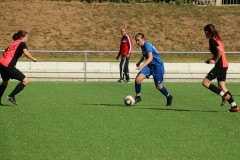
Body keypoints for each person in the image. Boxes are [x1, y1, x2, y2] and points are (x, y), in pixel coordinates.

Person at [202, 24, 239, 112]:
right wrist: (212, 59)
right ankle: (234, 106)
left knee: (205, 82)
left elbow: (219, 50)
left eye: (204, 32)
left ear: (206, 32)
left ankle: (223, 95)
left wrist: (215, 61)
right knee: (222, 86)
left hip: (220, 66)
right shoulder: (217, 39)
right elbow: (219, 53)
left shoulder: (212, 40)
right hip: (224, 65)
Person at [134, 33, 173, 106]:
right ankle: (138, 96)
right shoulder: (143, 46)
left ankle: (168, 96)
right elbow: (144, 55)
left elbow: (150, 58)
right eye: (136, 40)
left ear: (143, 39)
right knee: (137, 80)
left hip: (157, 66)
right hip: (149, 66)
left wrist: (142, 66)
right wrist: (139, 62)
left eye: (138, 40)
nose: (137, 42)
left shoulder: (147, 45)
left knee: (158, 86)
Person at [0, 30, 37, 105]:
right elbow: (26, 53)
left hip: (1, 64)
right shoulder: (22, 43)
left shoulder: (13, 43)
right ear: (21, 37)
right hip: (8, 66)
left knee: (5, 82)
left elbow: (8, 52)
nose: (27, 39)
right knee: (25, 81)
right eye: (26, 37)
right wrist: (33, 58)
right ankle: (11, 96)